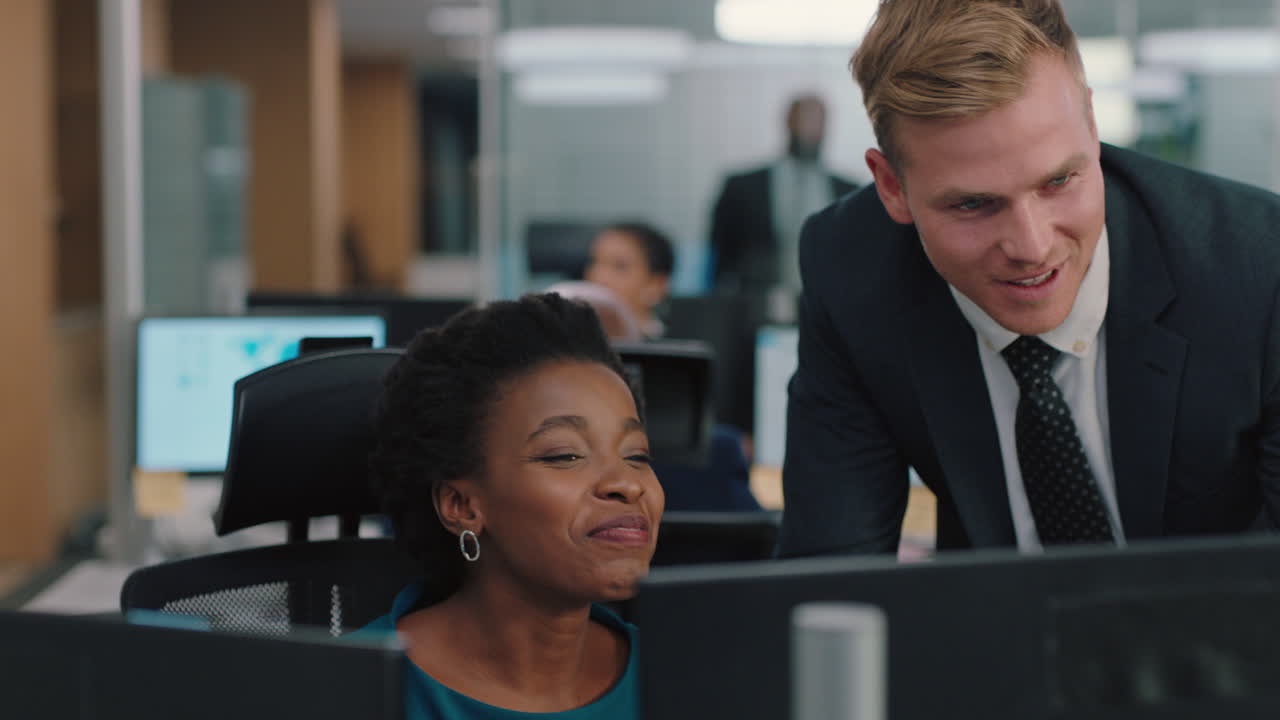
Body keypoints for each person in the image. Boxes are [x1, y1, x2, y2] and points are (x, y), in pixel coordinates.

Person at [778, 0, 1280, 558]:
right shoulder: (852, 270)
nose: (1033, 246)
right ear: (891, 187)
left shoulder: (1257, 267)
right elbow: (828, 578)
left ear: (1091, 125)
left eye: (1059, 180)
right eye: (973, 204)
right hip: (996, 633)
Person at [362, 292, 664, 718]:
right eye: (564, 455)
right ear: (461, 504)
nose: (627, 485)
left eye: (637, 455)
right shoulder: (347, 690)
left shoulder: (682, 679)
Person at [709, 93, 859, 320]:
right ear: (789, 122)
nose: (812, 129)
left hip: (829, 307)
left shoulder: (848, 190)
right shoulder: (744, 187)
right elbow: (721, 251)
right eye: (806, 119)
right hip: (757, 306)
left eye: (819, 121)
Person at [584, 222, 675, 338]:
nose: (598, 275)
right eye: (594, 261)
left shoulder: (675, 349)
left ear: (656, 285)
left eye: (620, 266)